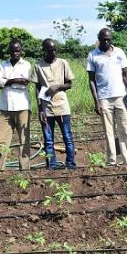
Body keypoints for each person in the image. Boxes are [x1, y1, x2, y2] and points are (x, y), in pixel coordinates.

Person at [87, 28, 127, 165]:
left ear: (111, 39)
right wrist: (96, 101)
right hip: (104, 98)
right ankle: (111, 161)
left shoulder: (119, 52)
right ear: (99, 39)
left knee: (125, 129)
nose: (106, 42)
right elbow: (91, 80)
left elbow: (125, 74)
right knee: (109, 132)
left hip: (120, 96)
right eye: (103, 39)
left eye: (108, 39)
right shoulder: (93, 55)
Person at [32, 39, 76, 169]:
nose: (53, 52)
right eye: (50, 50)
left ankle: (71, 164)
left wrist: (58, 87)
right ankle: (51, 165)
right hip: (47, 108)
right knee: (48, 140)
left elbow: (69, 84)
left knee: (67, 138)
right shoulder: (38, 66)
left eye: (55, 49)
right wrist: (40, 109)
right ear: (44, 50)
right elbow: (37, 89)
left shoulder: (63, 63)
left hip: (62, 107)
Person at [0, 39, 33, 171]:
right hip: (5, 107)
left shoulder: (26, 64)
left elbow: (26, 82)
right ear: (9, 51)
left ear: (21, 51)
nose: (16, 53)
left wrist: (6, 82)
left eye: (18, 50)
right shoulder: (3, 65)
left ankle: (25, 169)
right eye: (13, 50)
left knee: (24, 140)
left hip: (22, 106)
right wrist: (14, 80)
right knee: (1, 140)